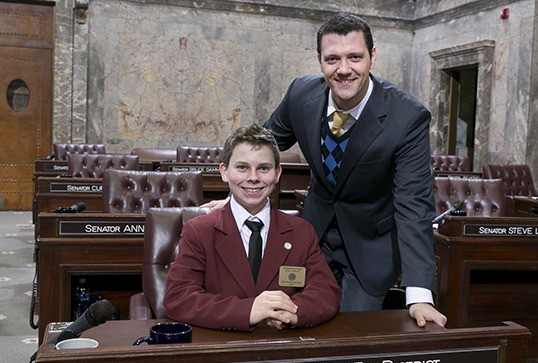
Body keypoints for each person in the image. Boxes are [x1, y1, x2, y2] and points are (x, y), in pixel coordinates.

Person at [263, 12, 446, 327]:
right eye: (332, 58)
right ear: (319, 61)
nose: (344, 69)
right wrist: (233, 199)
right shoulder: (300, 95)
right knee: (288, 320)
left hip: (369, 249)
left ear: (372, 57)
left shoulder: (407, 118)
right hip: (314, 235)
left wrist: (419, 296)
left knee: (345, 335)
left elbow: (414, 205)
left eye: (355, 57)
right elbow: (260, 147)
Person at [163, 124, 341, 331]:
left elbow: (327, 292)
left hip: (281, 348)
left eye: (263, 168)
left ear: (277, 173)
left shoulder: (301, 231)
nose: (253, 178)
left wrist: (293, 311)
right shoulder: (199, 231)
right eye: (242, 167)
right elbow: (179, 298)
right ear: (224, 172)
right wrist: (248, 310)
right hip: (222, 348)